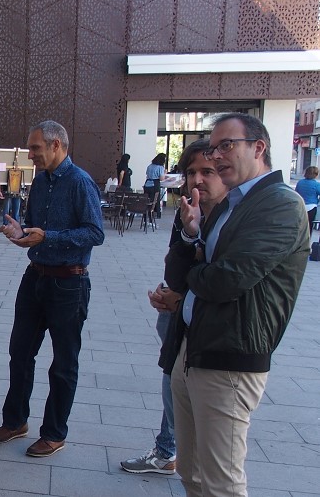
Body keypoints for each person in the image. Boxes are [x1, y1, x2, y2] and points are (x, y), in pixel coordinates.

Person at [165, 113, 308, 497]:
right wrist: (191, 235)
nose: (218, 155)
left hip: (230, 358)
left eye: (227, 145)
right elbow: (182, 273)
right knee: (192, 472)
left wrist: (200, 264)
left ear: (258, 147)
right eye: (214, 147)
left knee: (222, 483)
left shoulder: (280, 205)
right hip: (193, 349)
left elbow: (228, 280)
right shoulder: (231, 205)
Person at [0, 121, 104, 457]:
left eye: (35, 148)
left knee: (63, 363)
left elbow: (95, 233)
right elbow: (33, 232)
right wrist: (20, 234)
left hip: (69, 282)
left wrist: (48, 237)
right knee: (20, 352)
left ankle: (54, 432)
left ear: (56, 145)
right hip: (35, 276)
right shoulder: (38, 183)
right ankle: (15, 421)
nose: (30, 154)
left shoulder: (80, 182)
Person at [120, 138, 228, 475]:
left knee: (217, 458)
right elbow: (174, 267)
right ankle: (168, 450)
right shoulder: (189, 213)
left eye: (207, 171)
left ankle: (172, 450)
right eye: (190, 172)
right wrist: (188, 234)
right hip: (178, 316)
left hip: (214, 334)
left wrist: (179, 296)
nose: (197, 179)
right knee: (172, 383)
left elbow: (223, 284)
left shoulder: (234, 219)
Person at [295, 165, 320, 235]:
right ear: (315, 174)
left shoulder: (300, 182)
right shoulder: (316, 184)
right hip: (311, 207)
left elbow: (296, 193)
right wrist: (317, 201)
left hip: (301, 206)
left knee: (300, 226)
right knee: (309, 227)